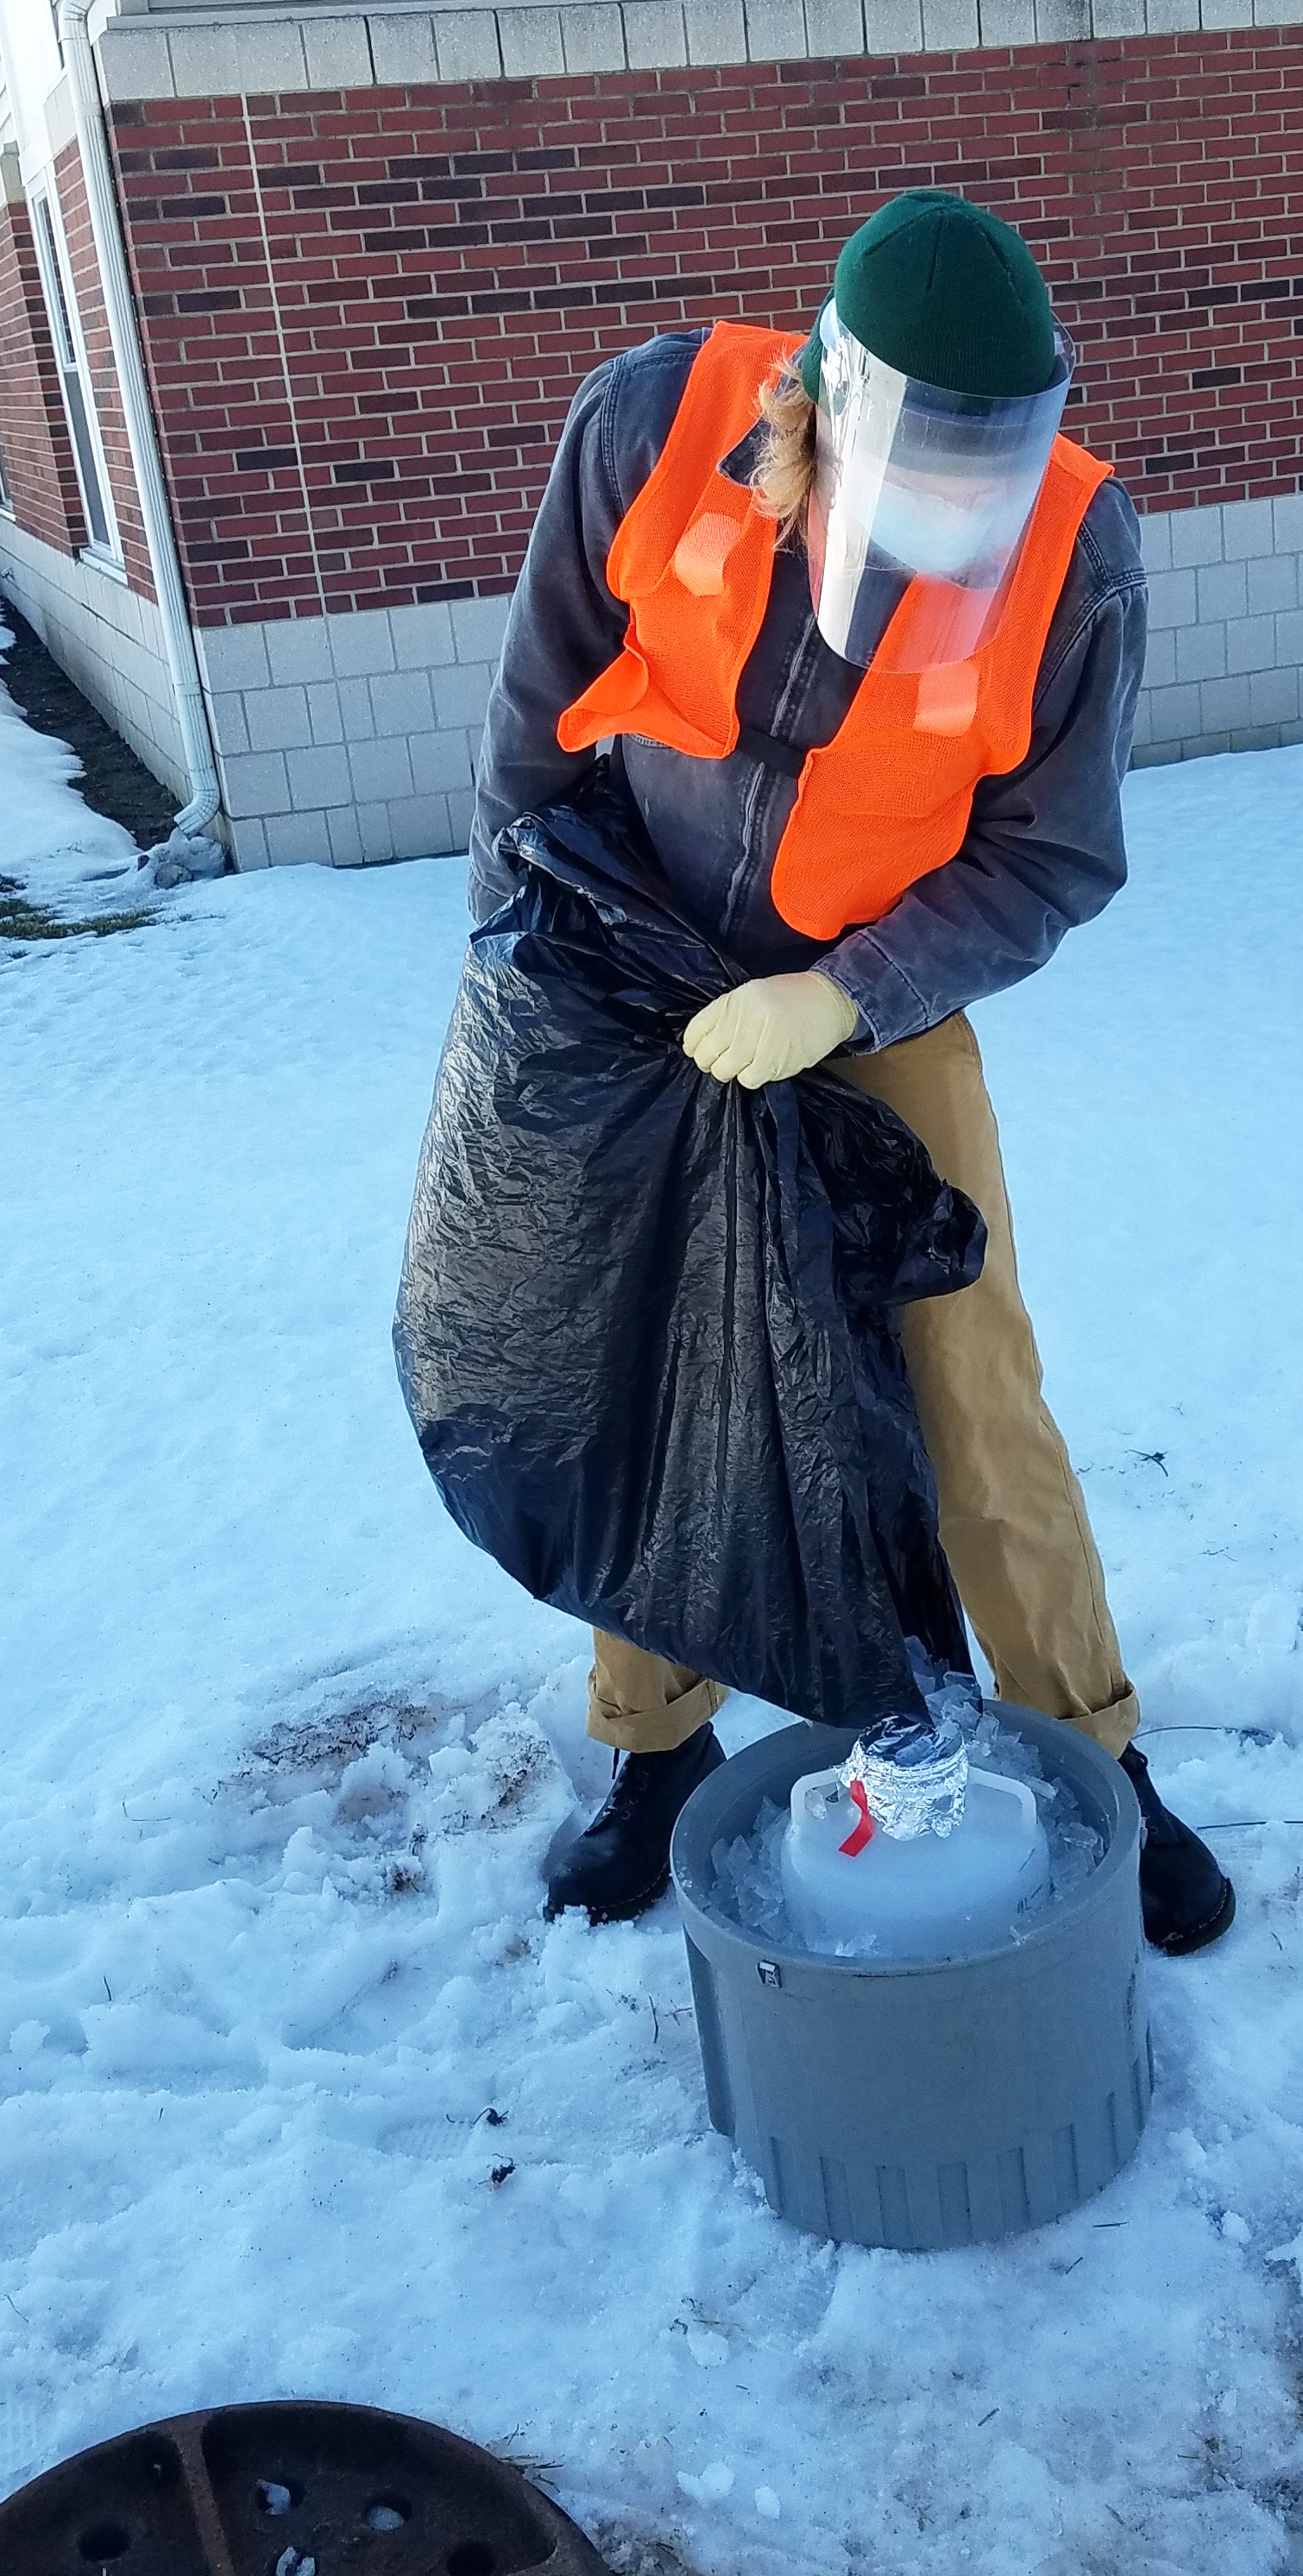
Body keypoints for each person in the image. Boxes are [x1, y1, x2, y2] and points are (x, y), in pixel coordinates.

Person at [467, 189, 1233, 1960]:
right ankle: (655, 1746)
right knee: (645, 1366)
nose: (963, 500)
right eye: (928, 461)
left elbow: (1053, 861)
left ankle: (1099, 1754)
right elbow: (533, 732)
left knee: (973, 1385)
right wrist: (540, 990)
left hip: (875, 1002)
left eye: (999, 462)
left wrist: (847, 994)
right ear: (829, 402)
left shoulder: (1075, 556)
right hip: (638, 983)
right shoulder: (651, 430)